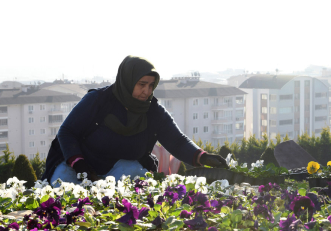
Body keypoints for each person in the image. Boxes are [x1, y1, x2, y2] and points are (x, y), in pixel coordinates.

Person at [43, 56, 226, 185]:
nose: (146, 91)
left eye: (150, 86)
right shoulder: (98, 101)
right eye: (141, 85)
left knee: (136, 188)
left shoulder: (153, 112)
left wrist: (203, 157)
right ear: (128, 81)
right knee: (65, 193)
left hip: (119, 168)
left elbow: (177, 141)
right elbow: (67, 132)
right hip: (78, 167)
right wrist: (81, 166)